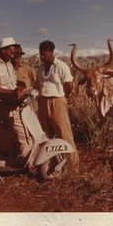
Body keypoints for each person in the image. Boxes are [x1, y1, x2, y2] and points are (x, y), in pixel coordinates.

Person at [0, 37, 33, 162]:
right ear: (3, 50)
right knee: (4, 136)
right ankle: (5, 164)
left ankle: (27, 161)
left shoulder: (9, 65)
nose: (13, 54)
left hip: (14, 105)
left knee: (23, 133)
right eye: (11, 51)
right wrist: (13, 93)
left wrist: (21, 92)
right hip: (0, 107)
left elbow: (12, 85)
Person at [36, 40, 79, 172]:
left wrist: (63, 98)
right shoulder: (40, 69)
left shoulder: (61, 66)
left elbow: (69, 85)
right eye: (40, 54)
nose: (42, 57)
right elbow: (38, 85)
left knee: (64, 133)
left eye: (44, 54)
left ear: (51, 52)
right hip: (43, 102)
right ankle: (52, 165)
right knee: (46, 135)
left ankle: (73, 167)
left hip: (57, 101)